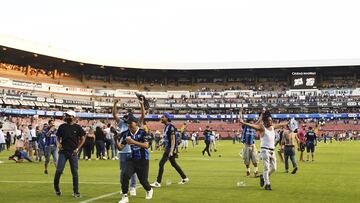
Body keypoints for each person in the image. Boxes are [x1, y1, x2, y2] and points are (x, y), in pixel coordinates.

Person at [239, 108, 288, 191]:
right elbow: (253, 125)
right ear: (266, 121)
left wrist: (287, 122)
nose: (271, 122)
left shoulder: (272, 127)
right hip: (264, 150)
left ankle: (263, 176)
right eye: (269, 120)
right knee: (266, 168)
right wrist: (243, 122)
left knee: (274, 168)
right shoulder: (262, 128)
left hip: (272, 151)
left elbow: (280, 125)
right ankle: (267, 184)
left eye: (271, 120)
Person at [117, 113, 153, 203]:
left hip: (143, 160)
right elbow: (120, 147)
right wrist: (115, 139)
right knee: (125, 175)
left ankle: (149, 190)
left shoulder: (143, 132)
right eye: (127, 123)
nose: (128, 124)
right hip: (132, 159)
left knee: (143, 181)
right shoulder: (126, 133)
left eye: (130, 122)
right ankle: (124, 196)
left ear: (136, 123)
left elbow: (146, 145)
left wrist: (133, 142)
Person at [113, 99, 144, 197]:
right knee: (123, 171)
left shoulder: (134, 123)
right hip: (123, 151)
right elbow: (114, 115)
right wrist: (114, 104)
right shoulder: (121, 123)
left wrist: (142, 104)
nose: (126, 118)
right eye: (126, 117)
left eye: (128, 117)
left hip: (133, 150)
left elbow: (143, 116)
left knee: (133, 171)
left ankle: (133, 187)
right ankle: (123, 187)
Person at [150, 112, 189, 188]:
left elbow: (173, 140)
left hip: (169, 148)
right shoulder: (166, 127)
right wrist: (160, 145)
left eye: (162, 117)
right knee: (174, 164)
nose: (161, 118)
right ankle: (185, 178)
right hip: (168, 147)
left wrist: (171, 151)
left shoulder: (171, 127)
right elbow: (166, 139)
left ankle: (158, 182)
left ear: (167, 118)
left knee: (161, 163)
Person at [54, 110, 86, 198]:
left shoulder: (78, 127)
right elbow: (57, 138)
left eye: (68, 115)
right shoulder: (62, 126)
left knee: (75, 173)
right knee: (59, 170)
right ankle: (56, 188)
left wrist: (77, 148)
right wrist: (58, 144)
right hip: (63, 152)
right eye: (66, 115)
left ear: (73, 117)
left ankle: (76, 192)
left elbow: (83, 138)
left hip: (73, 153)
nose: (67, 117)